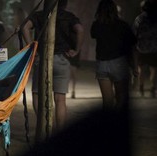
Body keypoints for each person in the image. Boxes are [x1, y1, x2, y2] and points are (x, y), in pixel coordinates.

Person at [22, 0, 84, 131]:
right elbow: (80, 29)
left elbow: (25, 27)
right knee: (60, 100)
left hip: (42, 58)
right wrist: (77, 50)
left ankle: (43, 127)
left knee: (37, 94)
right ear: (65, 4)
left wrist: (31, 47)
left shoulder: (39, 15)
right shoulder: (69, 16)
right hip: (62, 59)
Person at [91, 0, 137, 111]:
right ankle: (116, 124)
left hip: (102, 63)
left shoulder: (96, 25)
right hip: (119, 63)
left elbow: (93, 35)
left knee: (107, 102)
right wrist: (134, 66)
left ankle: (107, 125)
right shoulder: (123, 25)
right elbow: (132, 46)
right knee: (121, 100)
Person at [133, 0, 157, 97]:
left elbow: (134, 32)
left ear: (142, 8)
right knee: (154, 69)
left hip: (141, 48)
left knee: (141, 69)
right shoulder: (156, 18)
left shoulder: (139, 19)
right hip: (154, 48)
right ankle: (152, 89)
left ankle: (141, 88)